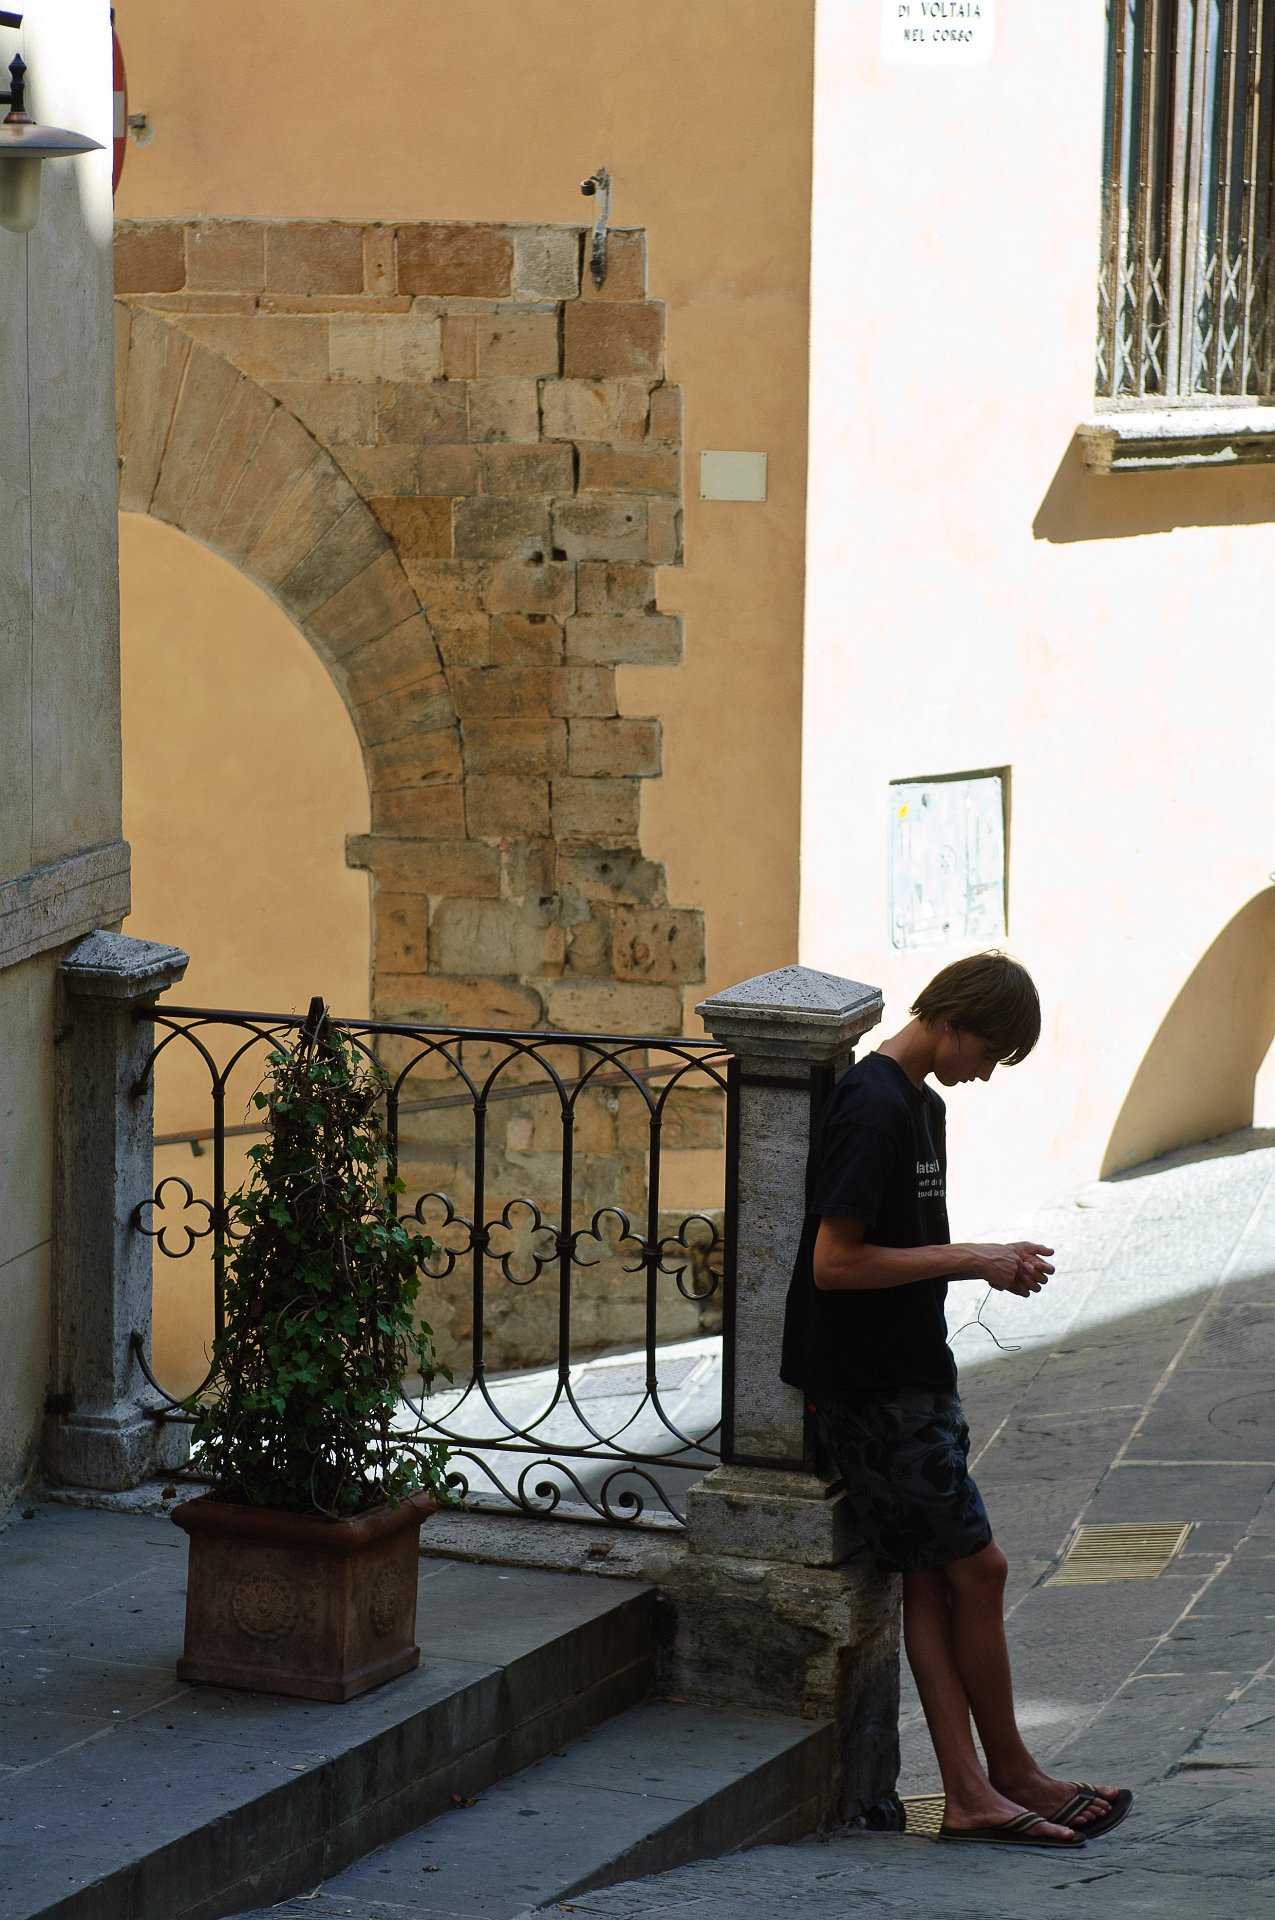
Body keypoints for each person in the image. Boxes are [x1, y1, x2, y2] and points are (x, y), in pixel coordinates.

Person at [780, 951, 1132, 1848]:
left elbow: (900, 1247)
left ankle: (981, 1788)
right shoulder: (872, 1106)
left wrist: (981, 1260)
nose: (986, 1072)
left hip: (910, 1374)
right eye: (988, 1051)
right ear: (950, 1021)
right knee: (980, 1570)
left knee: (935, 1580)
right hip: (871, 1390)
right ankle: (1003, 1775)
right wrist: (973, 1256)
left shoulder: (920, 1105)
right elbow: (834, 1263)